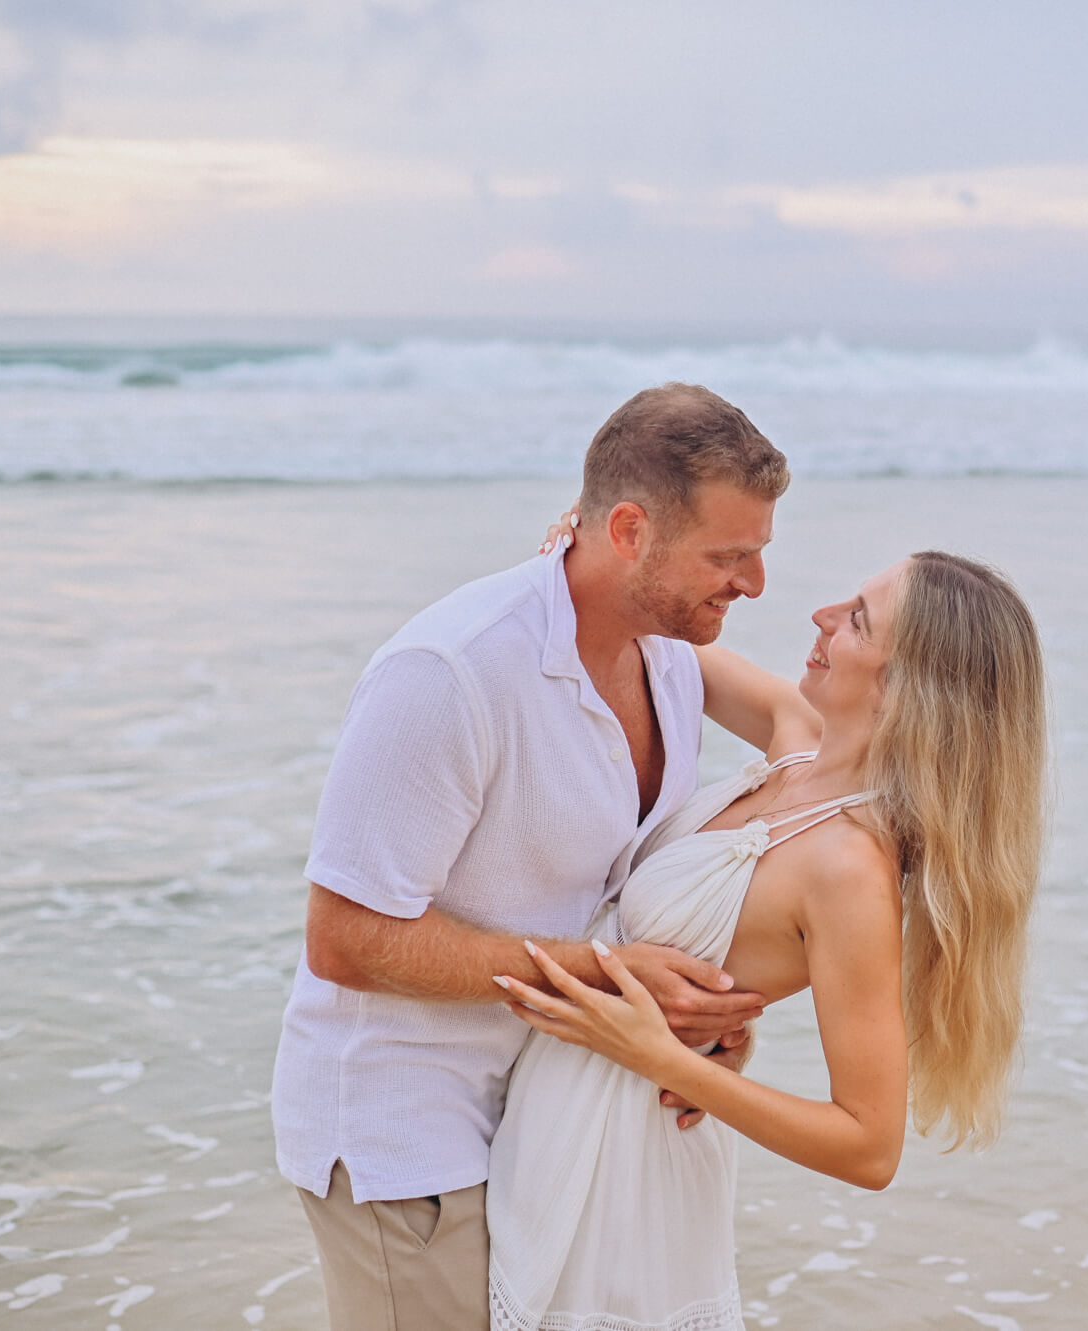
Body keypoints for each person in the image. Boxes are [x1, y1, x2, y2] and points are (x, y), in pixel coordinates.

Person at [270, 383, 790, 1331]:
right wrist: (606, 978)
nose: (753, 583)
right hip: (405, 1129)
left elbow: (806, 748)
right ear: (629, 528)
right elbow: (343, 937)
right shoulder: (452, 671)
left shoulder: (670, 656)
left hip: (545, 1114)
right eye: (729, 555)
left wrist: (695, 1018)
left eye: (759, 552)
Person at [486, 536, 1049, 1331]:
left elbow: (868, 1145)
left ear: (902, 686)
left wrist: (662, 1055)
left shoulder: (850, 871)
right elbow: (645, 627)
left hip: (631, 1167)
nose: (819, 615)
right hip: (549, 1117)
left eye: (855, 620)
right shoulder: (795, 743)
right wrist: (594, 527)